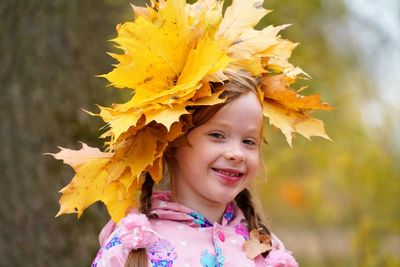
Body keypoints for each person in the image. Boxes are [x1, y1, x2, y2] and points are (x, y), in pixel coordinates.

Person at [50, 0, 332, 266]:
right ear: (172, 142)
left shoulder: (267, 253)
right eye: (217, 135)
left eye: (249, 141)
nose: (235, 153)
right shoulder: (133, 245)